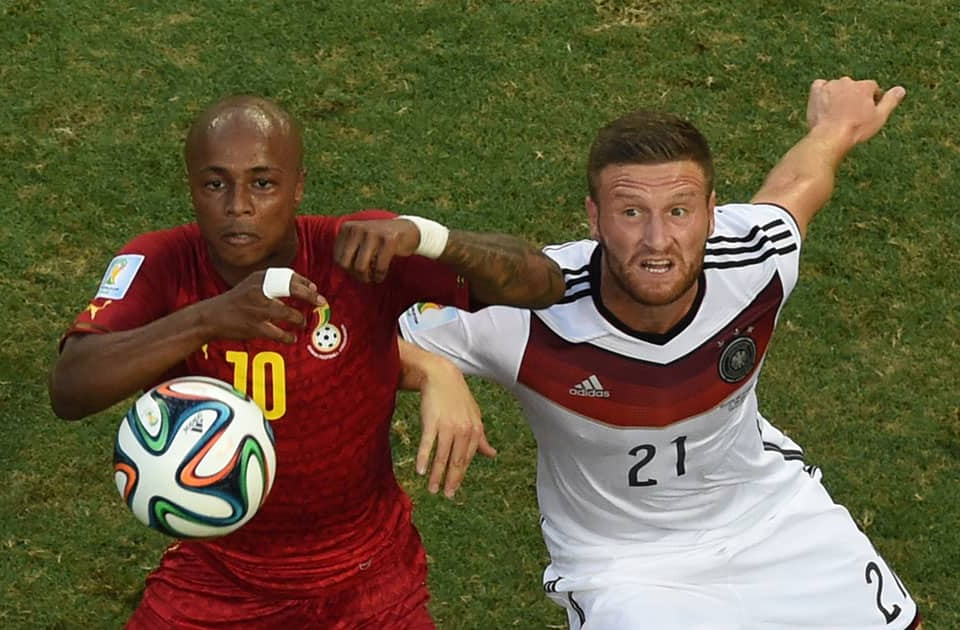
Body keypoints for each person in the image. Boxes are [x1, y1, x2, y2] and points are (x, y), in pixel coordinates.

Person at [399, 77, 921, 629]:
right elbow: (356, 340)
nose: (656, 240)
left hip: (773, 517)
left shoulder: (753, 262)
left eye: (679, 211)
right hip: (623, 566)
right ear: (594, 218)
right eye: (630, 213)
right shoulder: (524, 308)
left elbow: (798, 186)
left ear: (712, 214)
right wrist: (433, 370)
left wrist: (834, 127)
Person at [48, 95, 565, 629]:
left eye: (263, 183)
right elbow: (70, 387)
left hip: (368, 575)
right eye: (215, 183)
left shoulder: (357, 253)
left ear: (297, 185)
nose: (238, 206)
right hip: (219, 575)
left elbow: (545, 283)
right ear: (191, 187)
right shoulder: (161, 263)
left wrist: (427, 236)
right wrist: (207, 319)